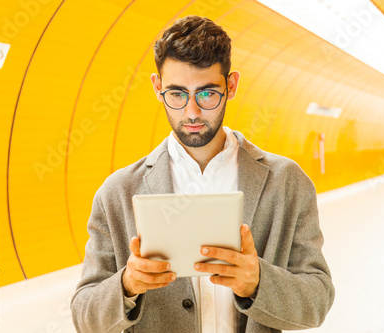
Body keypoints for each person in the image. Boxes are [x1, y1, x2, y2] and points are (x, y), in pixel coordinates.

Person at [70, 15, 334, 333]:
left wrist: (258, 282)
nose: (192, 112)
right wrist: (126, 286)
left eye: (207, 94)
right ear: (157, 87)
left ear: (231, 85)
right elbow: (83, 316)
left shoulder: (286, 182)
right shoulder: (119, 191)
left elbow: (318, 300)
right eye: (177, 94)